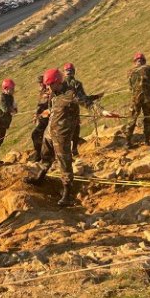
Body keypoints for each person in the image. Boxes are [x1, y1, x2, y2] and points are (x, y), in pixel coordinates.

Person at [27, 68, 98, 206]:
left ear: (57, 82)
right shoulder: (54, 93)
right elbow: (53, 108)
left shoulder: (70, 93)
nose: (47, 88)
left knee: (64, 162)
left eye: (49, 84)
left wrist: (104, 112)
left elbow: (87, 103)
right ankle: (39, 177)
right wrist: (46, 112)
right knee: (45, 155)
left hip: (62, 135)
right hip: (50, 132)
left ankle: (67, 194)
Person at [126, 52, 150, 148]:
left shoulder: (129, 72)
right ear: (144, 61)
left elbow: (130, 88)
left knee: (132, 119)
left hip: (135, 99)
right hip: (147, 98)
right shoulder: (147, 68)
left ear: (135, 62)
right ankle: (147, 141)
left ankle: (127, 142)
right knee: (147, 118)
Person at [62, 63, 87, 155]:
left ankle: (68, 150)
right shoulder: (77, 83)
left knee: (66, 130)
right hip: (73, 110)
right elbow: (83, 97)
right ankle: (74, 149)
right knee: (75, 129)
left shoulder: (60, 84)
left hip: (63, 111)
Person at [30, 75, 51, 162]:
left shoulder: (49, 91)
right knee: (37, 135)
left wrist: (45, 112)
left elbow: (48, 105)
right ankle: (40, 154)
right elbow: (39, 105)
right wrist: (35, 115)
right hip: (43, 116)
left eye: (41, 83)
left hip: (49, 117)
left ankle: (39, 155)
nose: (40, 85)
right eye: (39, 83)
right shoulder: (42, 92)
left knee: (36, 134)